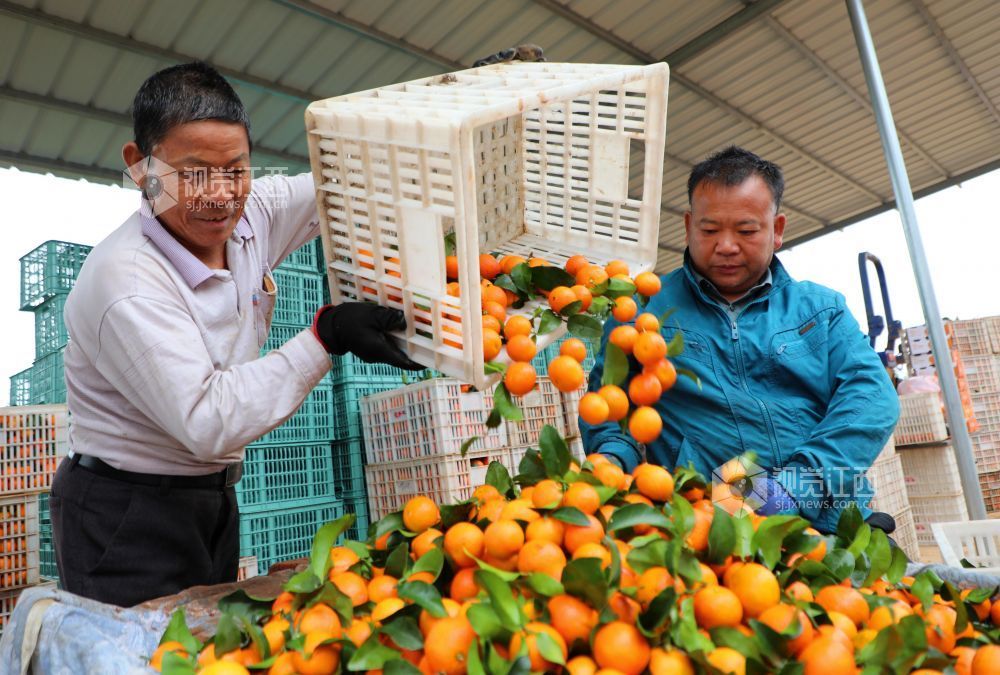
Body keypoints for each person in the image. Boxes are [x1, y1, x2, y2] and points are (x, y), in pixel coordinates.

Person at [50, 62, 420, 607]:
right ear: (139, 165)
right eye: (194, 173)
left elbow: (344, 182)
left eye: (236, 170)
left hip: (212, 496)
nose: (220, 196)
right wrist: (326, 334)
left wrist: (453, 116)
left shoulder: (251, 215)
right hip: (125, 513)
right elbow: (208, 420)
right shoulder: (126, 281)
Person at [582, 146, 900, 535]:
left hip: (830, 520)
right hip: (709, 525)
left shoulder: (820, 310)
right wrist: (610, 463)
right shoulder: (642, 311)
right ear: (687, 227)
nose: (726, 246)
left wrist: (799, 484)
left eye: (746, 230)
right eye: (710, 230)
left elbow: (872, 398)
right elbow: (607, 408)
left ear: (777, 230)